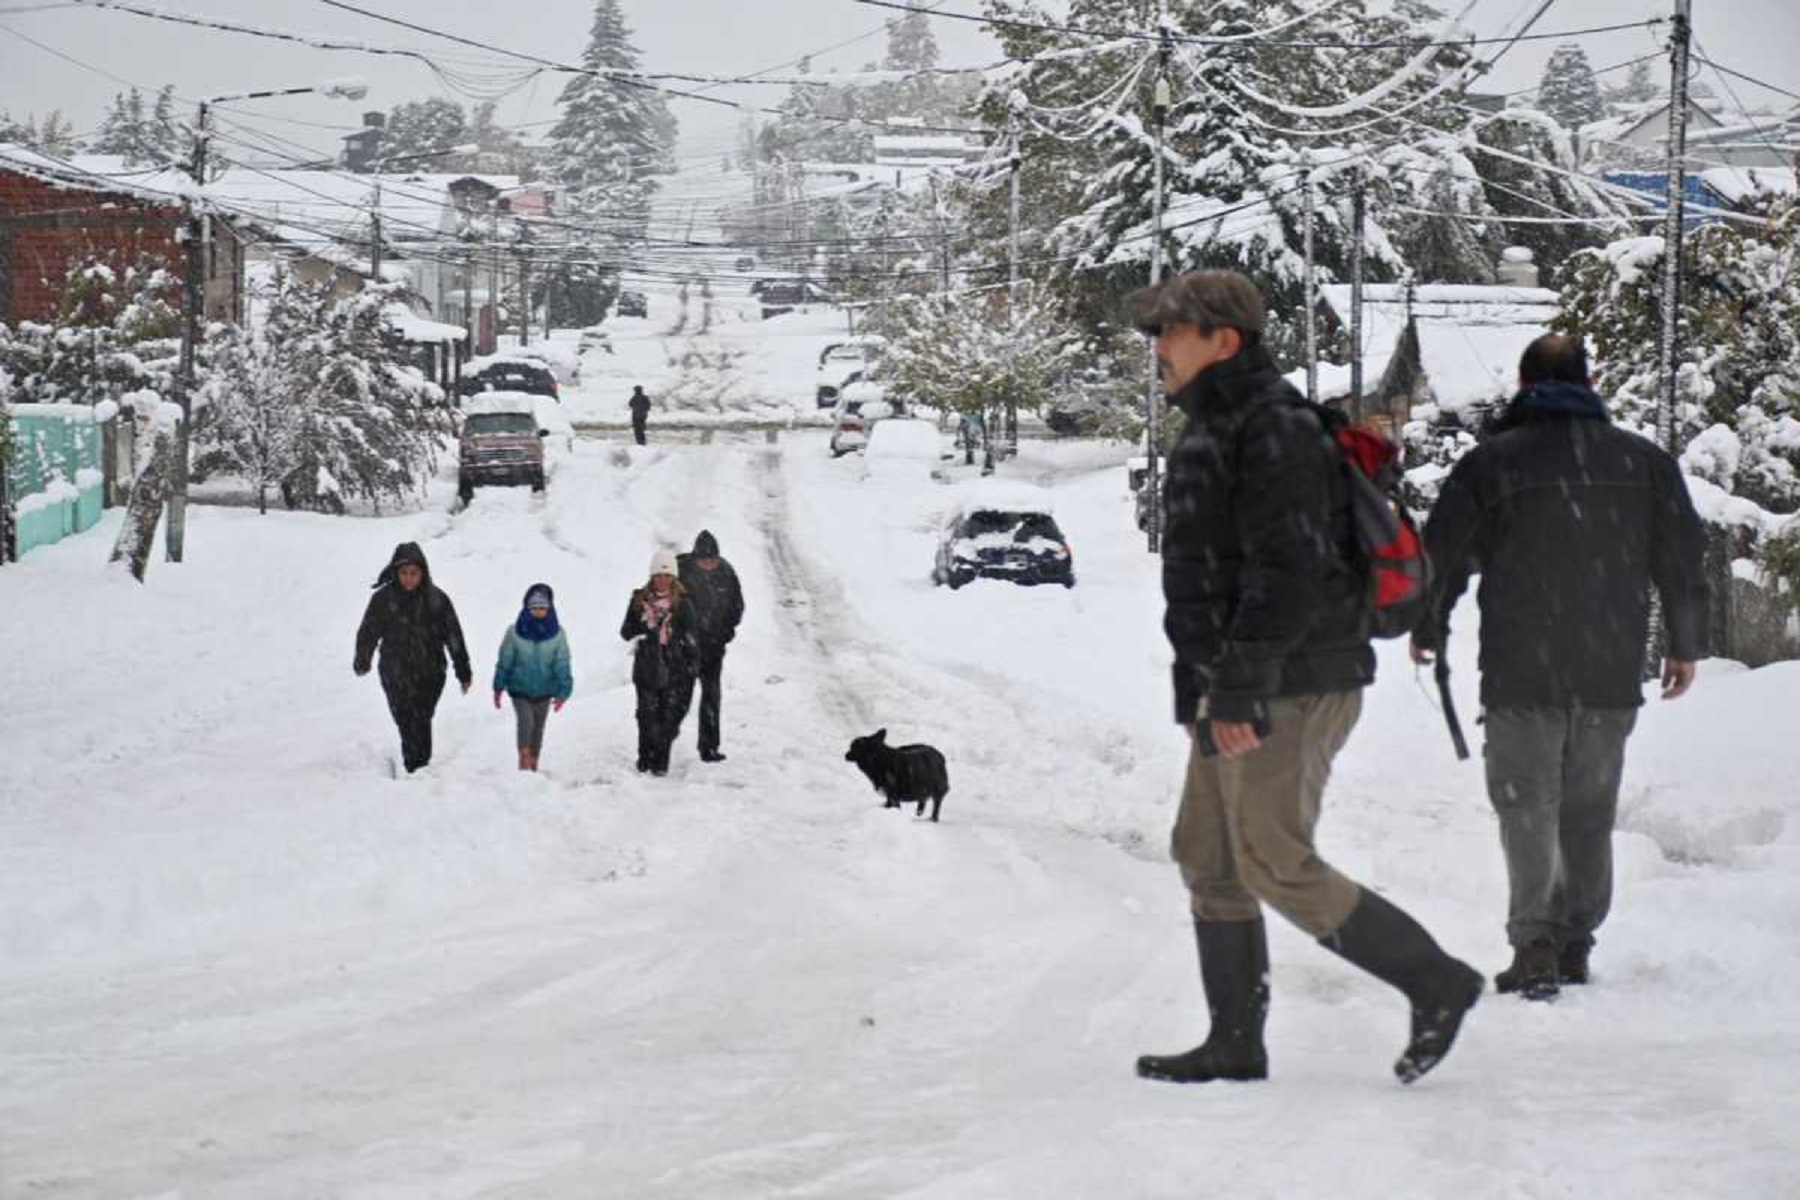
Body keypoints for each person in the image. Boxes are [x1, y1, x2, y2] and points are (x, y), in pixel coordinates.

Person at [1128, 269, 1481, 1088]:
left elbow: (1288, 570)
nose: (1158, 350)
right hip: (1241, 677)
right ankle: (1235, 1040)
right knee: (1208, 853)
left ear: (1224, 340)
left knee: (1273, 857)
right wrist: (1201, 692)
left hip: (1292, 677)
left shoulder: (1271, 430)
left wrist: (1242, 688)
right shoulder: (1216, 427)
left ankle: (1436, 980)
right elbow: (1203, 577)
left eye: (1170, 333)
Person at [1411, 333, 1709, 1001]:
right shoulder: (1644, 462)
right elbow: (1683, 560)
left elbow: (1444, 553)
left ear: (1523, 385)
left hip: (1521, 668)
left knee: (1527, 809)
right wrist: (1684, 644)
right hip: (1608, 667)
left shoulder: (1492, 464)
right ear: (1590, 383)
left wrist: (1426, 625)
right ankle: (1576, 940)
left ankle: (1535, 942)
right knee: (1588, 810)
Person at [354, 542, 472, 775]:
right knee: (405, 720)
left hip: (431, 672)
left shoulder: (437, 599)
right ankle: (415, 766)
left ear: (423, 573)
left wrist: (463, 670)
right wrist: (362, 659)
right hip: (394, 671)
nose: (409, 579)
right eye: (404, 573)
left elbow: (454, 636)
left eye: (414, 573)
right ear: (396, 573)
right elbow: (368, 631)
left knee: (422, 718)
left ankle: (418, 767)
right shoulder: (383, 599)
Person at [620, 549, 698, 775]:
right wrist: (644, 627)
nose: (662, 580)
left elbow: (692, 639)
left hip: (675, 667)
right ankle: (644, 759)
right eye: (657, 575)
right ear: (651, 577)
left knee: (667, 717)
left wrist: (693, 666)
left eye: (666, 575)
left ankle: (660, 762)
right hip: (646, 665)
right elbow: (625, 632)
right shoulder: (639, 600)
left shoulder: (683, 605)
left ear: (673, 577)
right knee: (646, 714)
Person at [677, 530, 745, 763]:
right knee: (679, 698)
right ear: (696, 558)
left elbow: (737, 606)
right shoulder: (681, 571)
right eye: (704, 560)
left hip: (714, 647)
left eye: (712, 560)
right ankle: (664, 739)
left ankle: (709, 747)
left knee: (711, 697)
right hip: (685, 648)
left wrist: (727, 632)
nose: (709, 564)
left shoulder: (726, 572)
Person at [491, 583, 573, 773]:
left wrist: (563, 691)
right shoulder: (514, 632)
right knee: (526, 720)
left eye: (542, 608)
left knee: (538, 728)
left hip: (545, 690)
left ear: (549, 608)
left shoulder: (558, 635)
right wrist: (498, 687)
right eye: (534, 608)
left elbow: (562, 663)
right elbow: (505, 660)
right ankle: (524, 757)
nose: (538, 612)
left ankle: (534, 762)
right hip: (520, 688)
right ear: (527, 608)